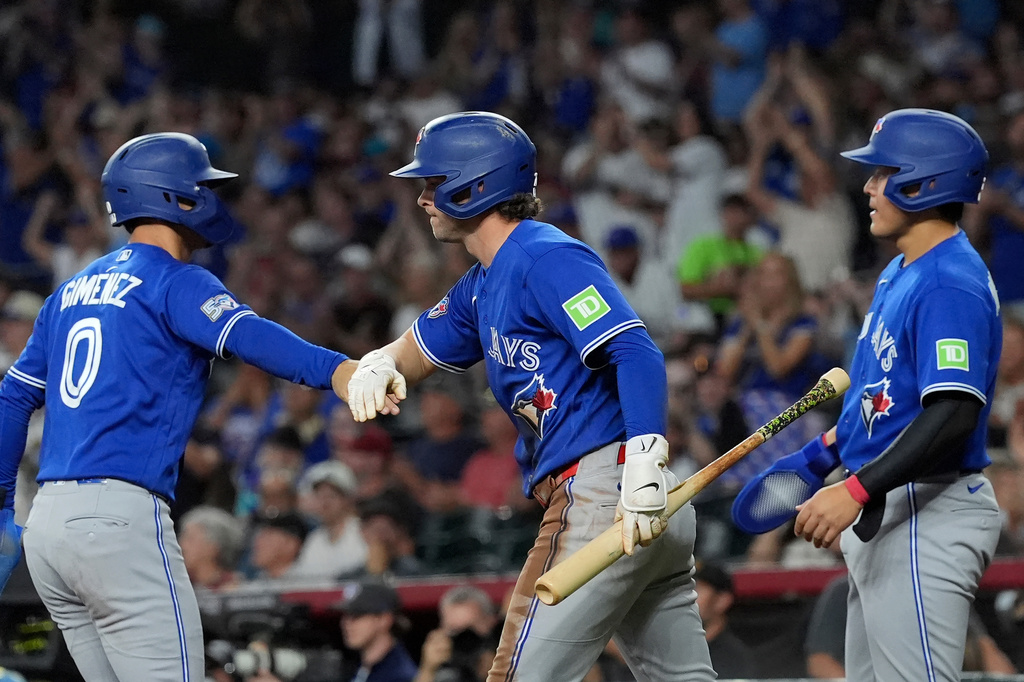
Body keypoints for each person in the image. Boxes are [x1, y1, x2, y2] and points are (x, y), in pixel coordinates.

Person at [347, 111, 714, 681]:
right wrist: (381, 363)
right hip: (631, 496)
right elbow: (419, 347)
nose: (422, 198)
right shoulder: (486, 279)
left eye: (433, 182)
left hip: (607, 491)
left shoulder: (546, 255)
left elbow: (636, 351)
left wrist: (645, 462)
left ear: (475, 186)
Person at [0, 132, 376, 681]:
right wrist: (341, 371)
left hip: (49, 529)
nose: (211, 196)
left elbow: (13, 397)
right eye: (201, 185)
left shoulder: (69, 290)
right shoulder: (174, 279)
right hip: (119, 518)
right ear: (170, 195)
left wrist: (3, 502)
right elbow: (251, 336)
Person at [792, 109, 1003, 681]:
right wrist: (827, 451)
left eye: (883, 172)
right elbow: (885, 395)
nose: (868, 187)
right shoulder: (901, 270)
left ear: (925, 182)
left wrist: (855, 489)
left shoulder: (947, 282)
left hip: (924, 509)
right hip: (894, 504)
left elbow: (955, 410)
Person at [692, 563, 755, 679]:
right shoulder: (670, 648)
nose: (687, 596)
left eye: (697, 589)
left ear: (722, 601)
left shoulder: (733, 657)